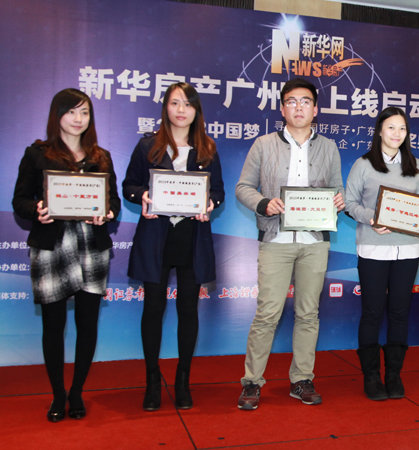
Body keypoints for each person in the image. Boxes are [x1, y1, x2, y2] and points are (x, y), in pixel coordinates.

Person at [235, 78, 345, 410]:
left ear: (316, 109)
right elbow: (243, 187)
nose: (299, 107)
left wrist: (339, 201)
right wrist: (263, 203)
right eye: (292, 101)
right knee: (267, 313)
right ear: (282, 108)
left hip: (315, 241)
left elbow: (337, 188)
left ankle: (301, 379)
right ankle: (252, 381)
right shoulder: (263, 144)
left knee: (308, 313)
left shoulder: (329, 147)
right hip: (276, 239)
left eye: (305, 101)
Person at [12, 88, 120, 422]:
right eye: (71, 111)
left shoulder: (101, 156)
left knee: (87, 324)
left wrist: (107, 213)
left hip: (90, 247)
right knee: (53, 325)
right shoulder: (38, 154)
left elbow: (114, 202)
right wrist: (38, 209)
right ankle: (58, 394)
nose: (78, 119)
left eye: (84, 112)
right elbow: (19, 201)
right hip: (52, 246)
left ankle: (77, 392)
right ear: (57, 115)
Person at [122, 82, 224, 411]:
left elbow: (218, 190)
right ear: (165, 107)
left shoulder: (207, 148)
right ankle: (152, 380)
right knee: (153, 309)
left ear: (197, 111)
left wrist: (210, 203)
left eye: (188, 104)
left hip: (192, 239)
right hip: (156, 238)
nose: (181, 110)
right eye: (175, 103)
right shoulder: (148, 146)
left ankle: (183, 380)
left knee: (188, 310)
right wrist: (143, 196)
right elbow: (128, 186)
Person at [345, 107, 419, 401]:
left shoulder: (415, 164)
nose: (397, 133)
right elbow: (349, 203)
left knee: (400, 312)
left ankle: (393, 375)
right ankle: (371, 376)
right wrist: (371, 218)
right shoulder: (364, 164)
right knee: (372, 312)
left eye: (402, 128)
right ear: (379, 130)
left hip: (407, 249)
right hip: (373, 248)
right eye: (391, 127)